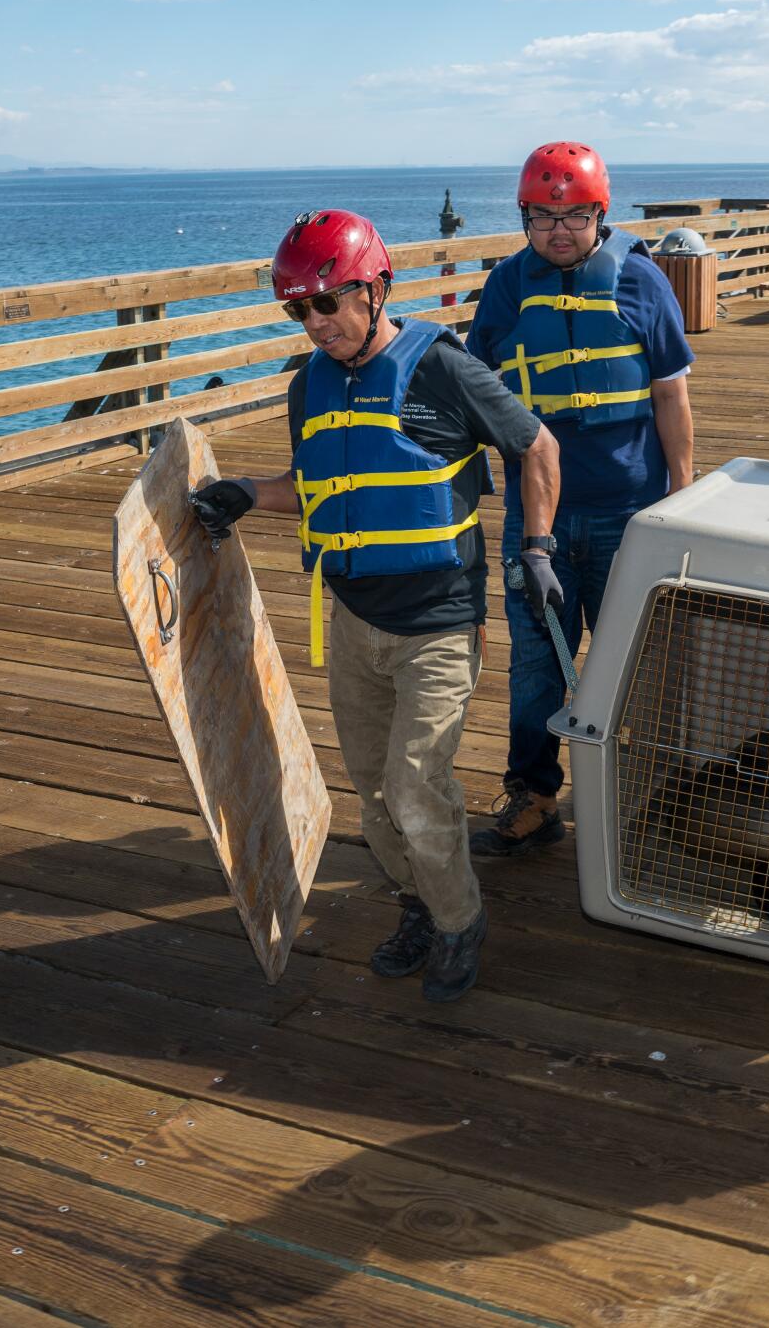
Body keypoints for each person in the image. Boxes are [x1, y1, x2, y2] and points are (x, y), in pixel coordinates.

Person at [190, 209, 563, 1003]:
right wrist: (245, 492)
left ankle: (459, 921)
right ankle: (417, 904)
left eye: (327, 303)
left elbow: (537, 445)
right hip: (353, 622)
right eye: (299, 309)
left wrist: (537, 546)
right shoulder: (308, 386)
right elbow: (321, 487)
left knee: (418, 784)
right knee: (375, 793)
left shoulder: (441, 367)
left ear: (376, 288)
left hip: (439, 622)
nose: (315, 323)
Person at [465, 141, 697, 858]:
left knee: (640, 662)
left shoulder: (643, 281)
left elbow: (671, 395)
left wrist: (683, 498)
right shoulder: (507, 287)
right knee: (535, 664)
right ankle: (535, 796)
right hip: (537, 522)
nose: (558, 231)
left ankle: (647, 795)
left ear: (601, 213)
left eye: (574, 216)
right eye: (542, 217)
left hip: (630, 512)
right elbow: (474, 392)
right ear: (524, 218)